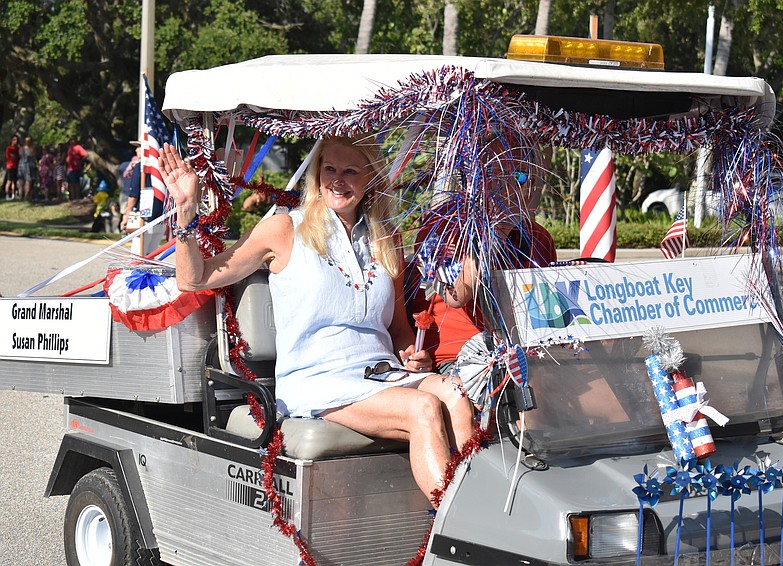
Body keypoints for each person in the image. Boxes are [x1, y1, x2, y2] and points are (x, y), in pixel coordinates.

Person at [159, 137, 474, 506]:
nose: (337, 180)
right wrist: (185, 211)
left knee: (456, 396)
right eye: (330, 170)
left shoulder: (386, 239)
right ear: (317, 174)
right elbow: (194, 279)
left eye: (351, 171)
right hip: (319, 380)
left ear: (371, 178)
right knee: (423, 409)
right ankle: (462, 533)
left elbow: (399, 330)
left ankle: (472, 517)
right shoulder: (284, 229)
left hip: (381, 374)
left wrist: (411, 353)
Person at [407, 139, 557, 408]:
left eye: (519, 176)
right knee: (519, 399)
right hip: (460, 358)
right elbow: (456, 295)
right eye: (491, 174)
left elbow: (544, 311)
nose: (506, 187)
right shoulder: (443, 224)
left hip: (524, 353)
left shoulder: (538, 237)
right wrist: (491, 237)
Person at [18, 136, 36, 201]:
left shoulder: (26, 149)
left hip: (25, 165)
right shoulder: (24, 149)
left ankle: (25, 195)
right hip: (25, 165)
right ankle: (22, 195)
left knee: (25, 181)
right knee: (24, 180)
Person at [5, 135, 19, 200]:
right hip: (10, 166)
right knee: (9, 181)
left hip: (16, 166)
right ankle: (7, 195)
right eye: (14, 139)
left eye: (16, 140)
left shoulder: (17, 148)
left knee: (14, 181)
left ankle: (13, 195)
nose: (15, 141)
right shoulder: (9, 148)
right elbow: (10, 157)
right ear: (11, 140)